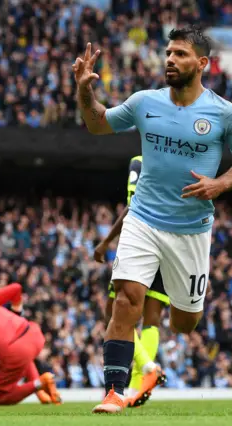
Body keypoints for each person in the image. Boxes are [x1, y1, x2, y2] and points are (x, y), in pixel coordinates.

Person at [73, 25, 232, 413]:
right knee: (125, 301)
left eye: (180, 54)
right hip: (143, 219)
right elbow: (96, 123)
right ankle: (114, 392)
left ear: (202, 63)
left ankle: (180, 319)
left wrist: (218, 185)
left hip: (191, 230)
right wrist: (84, 90)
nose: (170, 59)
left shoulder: (224, 113)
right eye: (169, 52)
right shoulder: (144, 102)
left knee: (185, 323)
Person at [94, 155, 169, 408]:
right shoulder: (178, 157)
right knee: (152, 317)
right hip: (171, 243)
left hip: (140, 245)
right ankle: (137, 386)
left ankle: (147, 368)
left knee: (114, 313)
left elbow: (135, 207)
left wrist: (106, 241)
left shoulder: (139, 161)